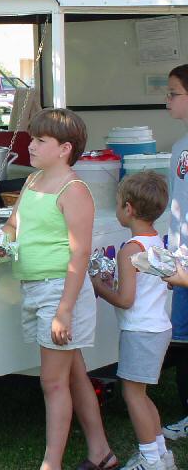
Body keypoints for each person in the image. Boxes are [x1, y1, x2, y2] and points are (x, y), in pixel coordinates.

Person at [0, 108, 117, 470]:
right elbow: (13, 225)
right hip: (36, 289)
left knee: (53, 382)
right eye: (32, 139)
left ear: (64, 149)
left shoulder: (74, 190)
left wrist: (64, 310)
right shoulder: (32, 181)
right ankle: (102, 453)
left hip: (60, 292)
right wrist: (3, 241)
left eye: (40, 140)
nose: (30, 146)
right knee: (73, 374)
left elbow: (80, 253)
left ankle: (51, 463)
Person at [91, 171, 176, 470]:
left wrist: (99, 286)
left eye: (117, 204)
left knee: (132, 396)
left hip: (140, 330)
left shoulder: (131, 249)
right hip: (158, 328)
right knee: (141, 394)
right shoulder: (156, 241)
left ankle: (150, 460)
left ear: (128, 208)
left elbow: (126, 299)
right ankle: (162, 455)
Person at [160, 63, 188, 443]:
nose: (167, 100)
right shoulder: (180, 147)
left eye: (173, 93)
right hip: (181, 260)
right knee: (182, 340)